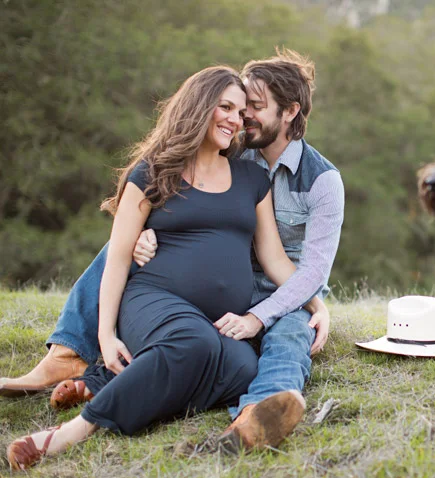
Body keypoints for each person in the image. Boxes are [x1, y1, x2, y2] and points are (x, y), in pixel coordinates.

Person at [0, 49, 345, 452]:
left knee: (253, 359)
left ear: (289, 112)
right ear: (201, 107)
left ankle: (247, 410)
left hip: (265, 299)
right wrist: (143, 237)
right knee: (129, 258)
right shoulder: (210, 155)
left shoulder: (303, 179)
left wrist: (313, 301)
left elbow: (283, 263)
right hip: (168, 298)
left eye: (251, 107)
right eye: (232, 108)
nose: (242, 118)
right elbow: (161, 221)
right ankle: (69, 381)